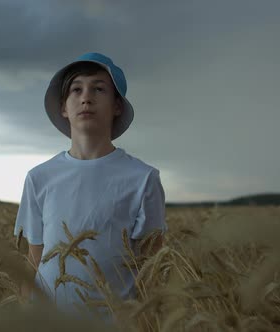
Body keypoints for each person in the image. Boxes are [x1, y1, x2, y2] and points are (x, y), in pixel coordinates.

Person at [13, 52, 167, 321]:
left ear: (117, 105)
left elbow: (151, 270)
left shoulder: (143, 179)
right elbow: (34, 262)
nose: (86, 97)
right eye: (76, 89)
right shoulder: (39, 178)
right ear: (64, 107)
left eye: (98, 88)